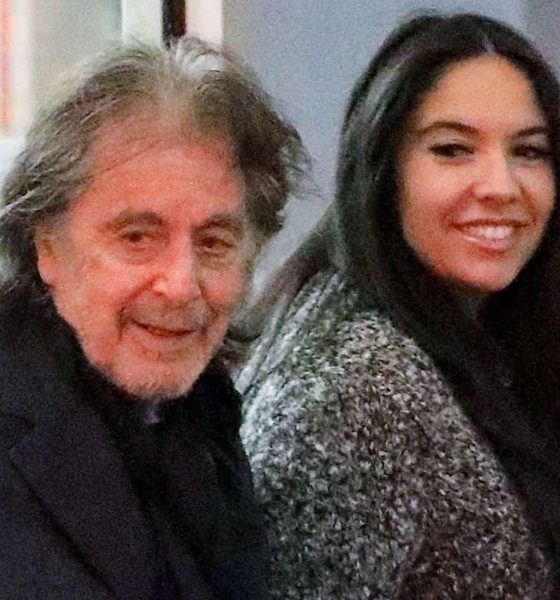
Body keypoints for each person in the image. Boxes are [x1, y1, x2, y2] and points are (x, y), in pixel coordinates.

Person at [236, 13, 560, 599]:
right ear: (383, 170)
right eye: (453, 150)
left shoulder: (476, 334)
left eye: (529, 151)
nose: (501, 185)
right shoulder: (356, 391)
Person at [0, 36, 305, 599]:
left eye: (214, 243)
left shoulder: (201, 412)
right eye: (137, 237)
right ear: (46, 246)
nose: (181, 284)